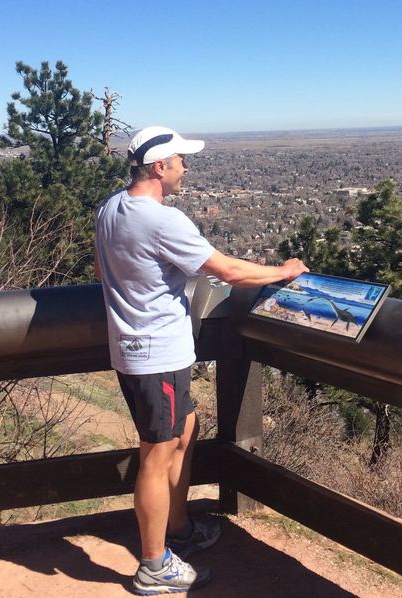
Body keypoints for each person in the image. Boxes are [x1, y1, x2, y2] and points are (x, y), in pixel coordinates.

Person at [94, 126, 308, 594]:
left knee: (183, 432)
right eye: (180, 161)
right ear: (159, 167)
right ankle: (153, 565)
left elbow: (104, 271)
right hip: (157, 354)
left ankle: (178, 531)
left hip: (133, 348)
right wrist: (285, 272)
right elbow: (227, 270)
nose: (185, 168)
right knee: (156, 455)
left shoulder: (110, 207)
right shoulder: (161, 220)